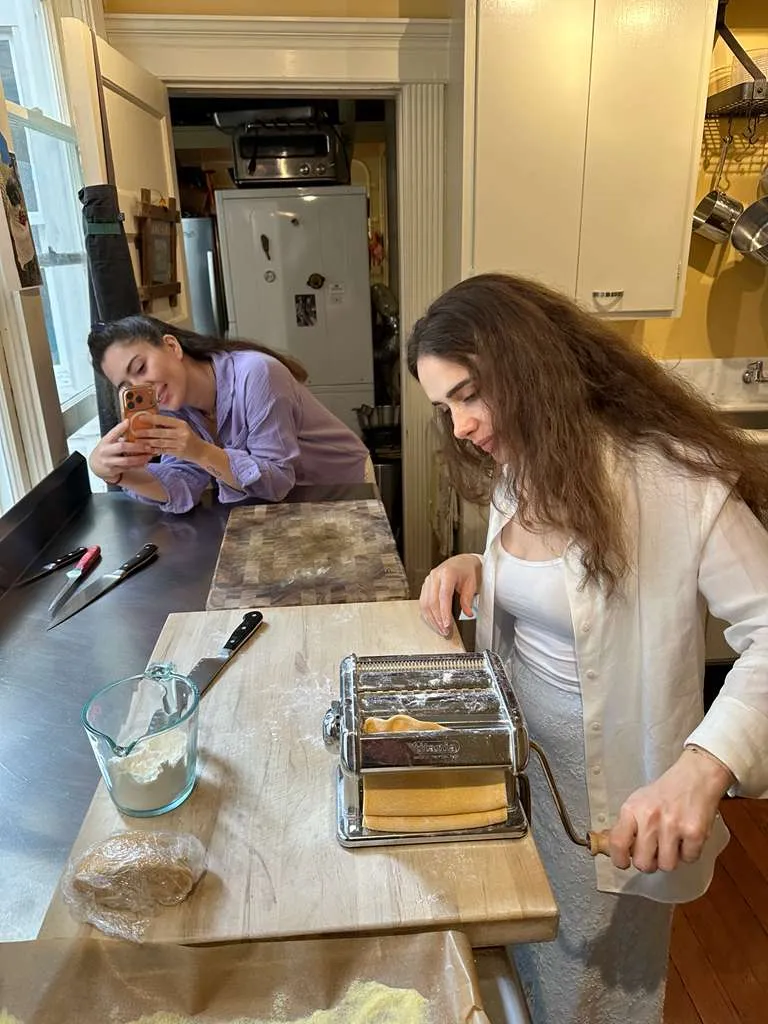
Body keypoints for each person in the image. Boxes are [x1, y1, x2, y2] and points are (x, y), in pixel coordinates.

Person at [408, 272, 768, 1024]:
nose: (462, 424)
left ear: (529, 363)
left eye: (470, 393)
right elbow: (561, 587)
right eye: (446, 407)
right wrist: (482, 567)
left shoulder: (676, 480)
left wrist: (702, 771)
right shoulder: (522, 465)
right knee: (532, 945)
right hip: (527, 761)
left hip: (619, 782)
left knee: (593, 985)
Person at [87, 316, 371, 513]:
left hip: (343, 487)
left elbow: (277, 481)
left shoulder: (257, 374)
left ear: (172, 347)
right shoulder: (172, 407)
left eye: (140, 368)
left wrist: (199, 451)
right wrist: (118, 475)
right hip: (282, 504)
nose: (141, 387)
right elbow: (186, 484)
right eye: (127, 387)